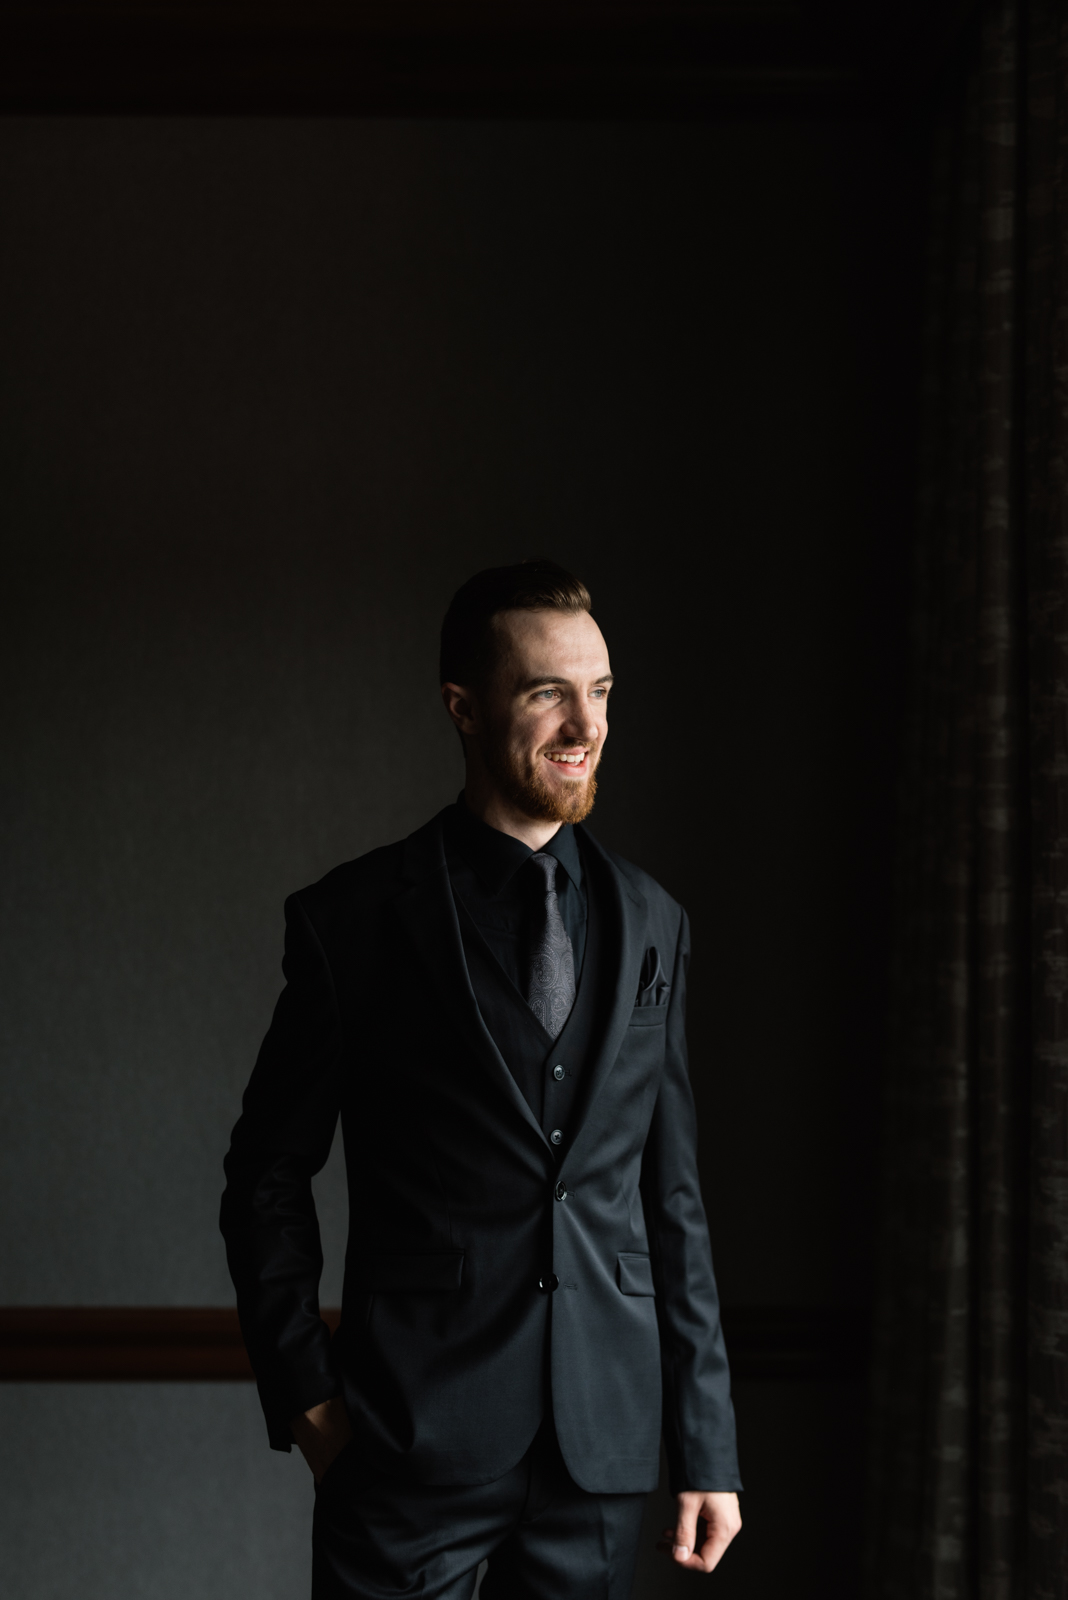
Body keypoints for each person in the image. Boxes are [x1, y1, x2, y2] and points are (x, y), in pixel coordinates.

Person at [220, 560, 742, 1599]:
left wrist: (708, 1444)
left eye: (598, 691)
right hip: (407, 1447)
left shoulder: (654, 924)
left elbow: (669, 1198)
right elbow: (264, 1174)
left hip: (597, 1458)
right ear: (464, 708)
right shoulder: (355, 921)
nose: (582, 724)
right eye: (547, 691)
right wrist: (309, 1400)